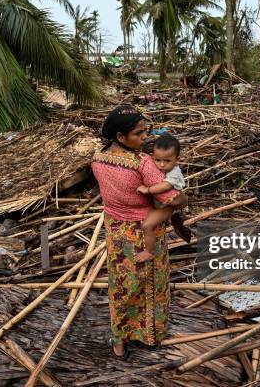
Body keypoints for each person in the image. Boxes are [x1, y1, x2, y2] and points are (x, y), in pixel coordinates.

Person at [91, 105, 188, 359]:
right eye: (138, 134)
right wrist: (183, 198)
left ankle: (119, 339)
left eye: (146, 132)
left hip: (115, 231)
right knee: (151, 284)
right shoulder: (142, 163)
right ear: (121, 137)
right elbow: (172, 199)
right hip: (145, 232)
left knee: (121, 285)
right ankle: (150, 335)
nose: (145, 138)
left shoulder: (97, 159)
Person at [136, 134, 190, 262]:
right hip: (159, 204)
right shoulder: (155, 164)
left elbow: (165, 186)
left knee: (147, 226)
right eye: (158, 160)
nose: (161, 165)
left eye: (167, 161)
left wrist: (147, 190)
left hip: (167, 207)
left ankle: (149, 251)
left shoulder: (174, 173)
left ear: (177, 159)